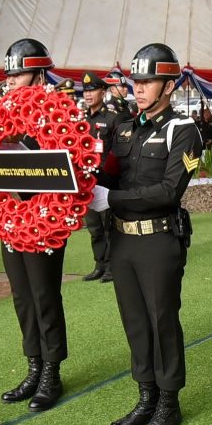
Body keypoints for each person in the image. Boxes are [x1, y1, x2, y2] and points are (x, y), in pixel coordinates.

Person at [105, 43, 201, 425]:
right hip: (122, 241)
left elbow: (168, 190)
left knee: (162, 321)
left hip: (159, 239)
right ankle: (146, 397)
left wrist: (110, 198)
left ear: (169, 85)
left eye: (148, 81)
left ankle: (168, 403)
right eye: (136, 81)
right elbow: (107, 173)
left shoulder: (183, 130)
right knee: (135, 322)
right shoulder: (124, 128)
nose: (139, 88)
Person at [0, 38, 69, 412]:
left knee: (44, 295)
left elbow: (68, 168)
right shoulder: (1, 117)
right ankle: (34, 366)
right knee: (22, 296)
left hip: (45, 220)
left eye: (19, 74)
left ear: (40, 76)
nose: (10, 81)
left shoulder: (58, 114)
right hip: (10, 218)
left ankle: (51, 371)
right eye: (9, 74)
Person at [80, 71, 122, 283]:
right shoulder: (81, 119)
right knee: (94, 226)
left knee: (108, 227)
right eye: (85, 91)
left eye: (93, 90)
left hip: (106, 180)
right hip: (86, 180)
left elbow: (118, 151)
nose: (88, 94)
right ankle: (99, 264)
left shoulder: (112, 118)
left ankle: (113, 267)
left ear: (103, 92)